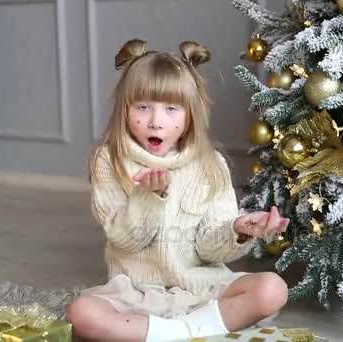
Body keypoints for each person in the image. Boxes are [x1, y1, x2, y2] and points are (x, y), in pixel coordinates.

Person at [66, 38, 290, 342]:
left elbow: (209, 248)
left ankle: (169, 332)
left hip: (201, 288)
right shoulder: (110, 160)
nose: (156, 122)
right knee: (82, 313)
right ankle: (190, 330)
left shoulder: (211, 165)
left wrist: (239, 229)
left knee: (272, 289)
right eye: (143, 107)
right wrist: (149, 197)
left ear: (190, 114)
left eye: (171, 109)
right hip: (137, 293)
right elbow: (124, 238)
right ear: (125, 109)